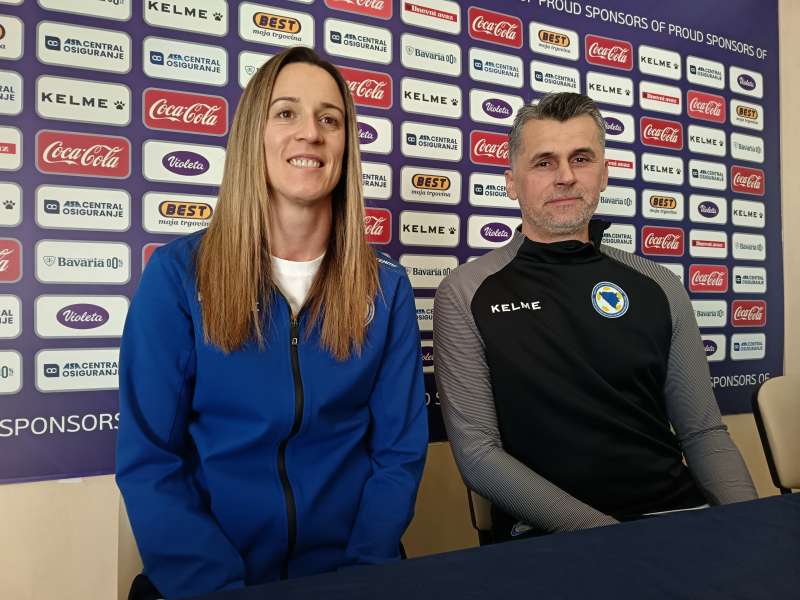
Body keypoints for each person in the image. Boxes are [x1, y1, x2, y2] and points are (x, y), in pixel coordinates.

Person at [116, 47, 428, 599]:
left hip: (351, 575)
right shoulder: (177, 276)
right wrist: (214, 586)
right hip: (211, 581)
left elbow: (398, 453)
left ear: (345, 145)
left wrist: (363, 576)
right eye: (286, 113)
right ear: (252, 136)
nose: (310, 133)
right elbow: (151, 461)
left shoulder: (387, 287)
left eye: (329, 119)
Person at [433, 92, 757, 542]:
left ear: (603, 174)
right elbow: (479, 456)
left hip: (677, 518)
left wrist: (750, 527)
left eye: (581, 159)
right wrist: (607, 536)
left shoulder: (659, 284)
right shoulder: (466, 292)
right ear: (511, 182)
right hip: (554, 538)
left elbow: (703, 433)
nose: (565, 176)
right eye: (544, 162)